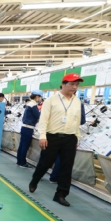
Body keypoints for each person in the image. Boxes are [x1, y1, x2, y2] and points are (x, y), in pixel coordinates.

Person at [29, 73, 84, 207]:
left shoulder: (77, 101)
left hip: (70, 138)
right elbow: (43, 119)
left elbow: (77, 121)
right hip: (52, 137)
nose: (74, 87)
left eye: (76, 85)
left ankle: (61, 194)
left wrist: (77, 137)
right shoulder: (51, 100)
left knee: (67, 167)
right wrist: (42, 136)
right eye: (71, 84)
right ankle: (35, 180)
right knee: (45, 163)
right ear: (63, 84)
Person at [16, 90, 43, 167]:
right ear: (37, 96)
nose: (40, 99)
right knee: (25, 145)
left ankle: (19, 161)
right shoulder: (33, 105)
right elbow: (38, 116)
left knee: (22, 145)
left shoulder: (30, 104)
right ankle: (22, 162)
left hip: (24, 127)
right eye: (40, 97)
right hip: (28, 128)